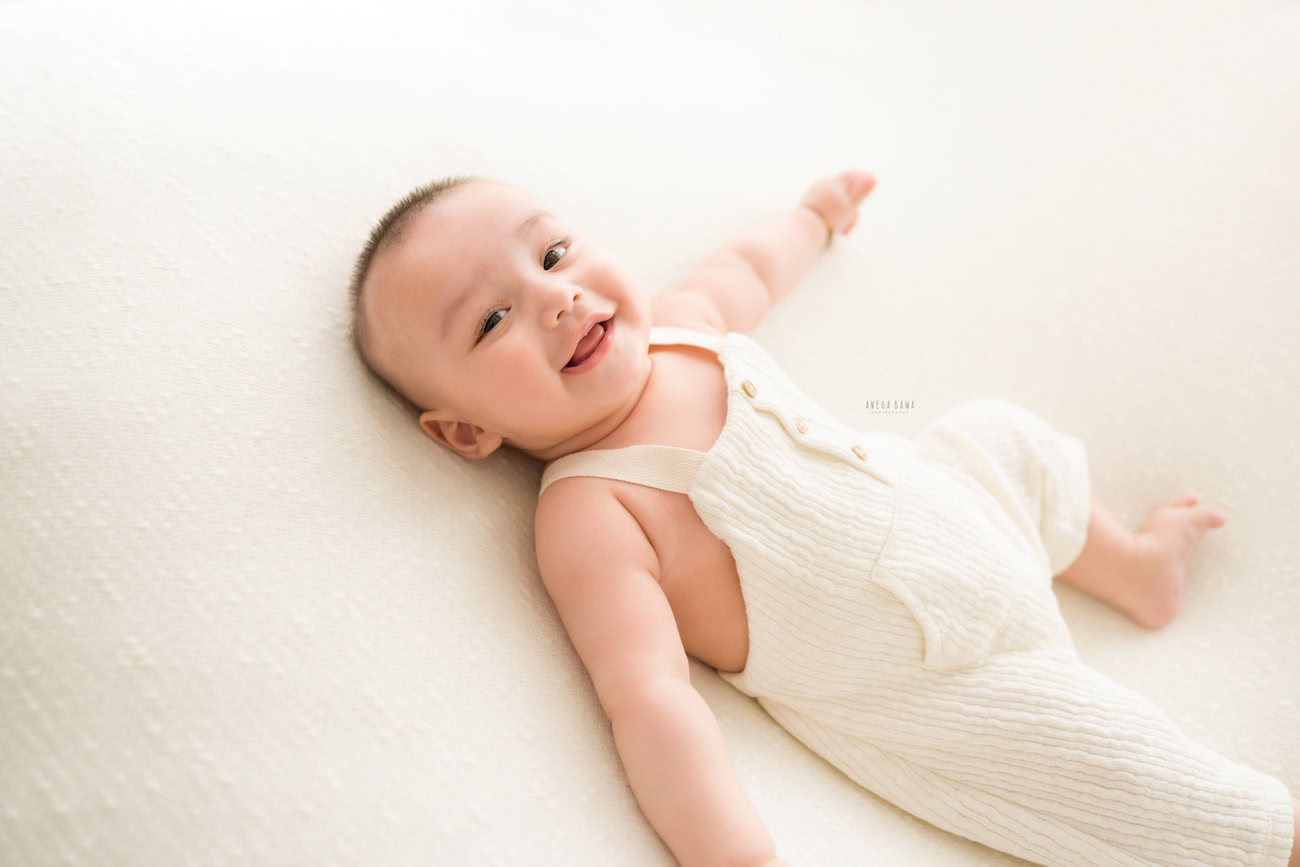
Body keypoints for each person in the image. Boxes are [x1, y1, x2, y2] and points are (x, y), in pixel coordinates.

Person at [347, 170, 1298, 867]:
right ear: (466, 430)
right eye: (491, 321)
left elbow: (750, 269)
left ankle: (1131, 567)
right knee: (1112, 766)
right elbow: (649, 696)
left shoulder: (684, 325)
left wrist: (812, 218)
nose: (557, 298)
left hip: (955, 508)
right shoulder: (593, 509)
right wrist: (734, 853)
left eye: (553, 253)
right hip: (922, 681)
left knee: (999, 433)